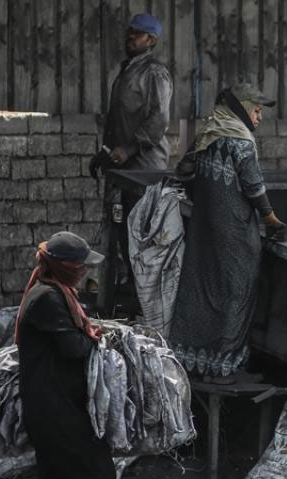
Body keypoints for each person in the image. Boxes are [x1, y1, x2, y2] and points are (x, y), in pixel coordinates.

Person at [3, 231, 117, 479]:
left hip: (57, 404)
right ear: (65, 267)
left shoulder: (58, 295)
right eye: (80, 266)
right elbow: (74, 349)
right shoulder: (48, 300)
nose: (84, 272)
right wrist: (99, 337)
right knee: (96, 478)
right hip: (53, 407)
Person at [167, 83, 287, 379]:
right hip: (236, 236)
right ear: (241, 109)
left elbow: (182, 170)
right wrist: (271, 219)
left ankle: (190, 359)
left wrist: (206, 192)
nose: (258, 118)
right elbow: (254, 187)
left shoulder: (209, 133)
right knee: (236, 293)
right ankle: (224, 366)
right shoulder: (241, 141)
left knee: (200, 289)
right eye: (256, 111)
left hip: (206, 231)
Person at [92, 12, 173, 313]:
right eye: (129, 33)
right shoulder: (128, 70)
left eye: (136, 34)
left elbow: (159, 120)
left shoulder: (154, 73)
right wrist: (104, 152)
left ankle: (145, 307)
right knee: (122, 234)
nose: (130, 38)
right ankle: (126, 300)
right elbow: (118, 121)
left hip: (144, 171)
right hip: (124, 169)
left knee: (141, 238)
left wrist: (128, 148)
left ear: (150, 40)